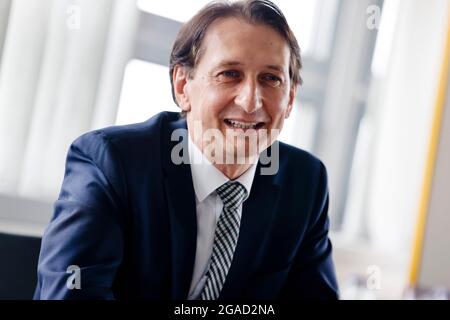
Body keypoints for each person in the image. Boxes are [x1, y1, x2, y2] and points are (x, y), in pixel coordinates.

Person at [34, 0, 339, 300]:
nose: (250, 101)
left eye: (271, 79)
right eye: (229, 74)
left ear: (290, 99)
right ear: (183, 87)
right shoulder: (113, 162)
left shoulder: (305, 182)